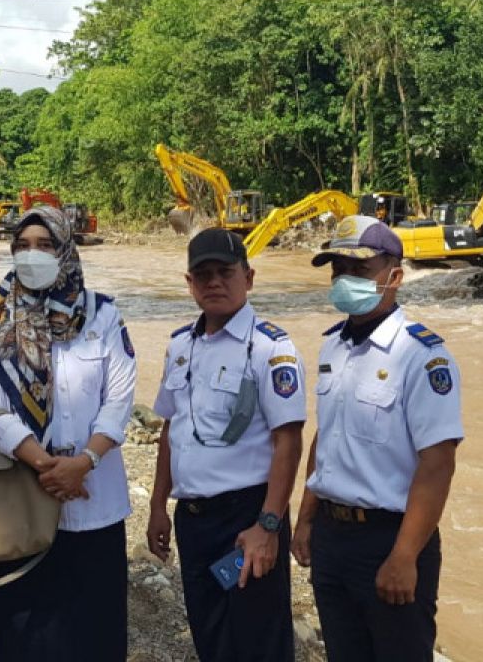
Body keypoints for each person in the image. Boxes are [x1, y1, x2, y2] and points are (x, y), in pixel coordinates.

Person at [291, 216, 463, 662]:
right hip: (332, 538)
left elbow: (438, 462)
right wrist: (307, 518)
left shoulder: (422, 355)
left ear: (395, 277)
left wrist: (405, 556)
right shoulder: (334, 346)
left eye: (359, 269)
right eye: (338, 269)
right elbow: (325, 438)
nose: (345, 279)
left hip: (390, 540)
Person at [0, 205, 136, 662]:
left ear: (66, 250)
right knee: (27, 634)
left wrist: (83, 463)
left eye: (45, 244)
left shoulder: (102, 315)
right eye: (22, 245)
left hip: (95, 498)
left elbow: (118, 400)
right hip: (24, 497)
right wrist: (47, 467)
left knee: (95, 633)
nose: (32, 254)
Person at [147, 228, 306, 662]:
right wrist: (159, 505)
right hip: (195, 523)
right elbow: (170, 430)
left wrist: (268, 527)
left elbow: (288, 440)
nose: (214, 282)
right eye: (203, 274)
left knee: (257, 639)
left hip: (245, 522)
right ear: (190, 283)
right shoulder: (181, 345)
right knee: (210, 630)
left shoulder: (270, 348)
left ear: (249, 277)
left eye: (225, 272)